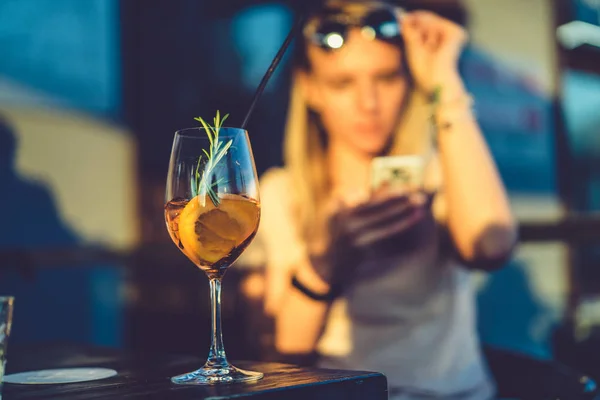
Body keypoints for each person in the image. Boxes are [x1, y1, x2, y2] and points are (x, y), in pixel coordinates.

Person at [239, 0, 517, 398]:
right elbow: (279, 353)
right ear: (311, 89)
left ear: (408, 80)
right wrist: (327, 261)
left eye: (386, 78)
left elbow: (492, 246)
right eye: (342, 83)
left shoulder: (441, 174)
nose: (368, 104)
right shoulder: (278, 195)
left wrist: (443, 79)